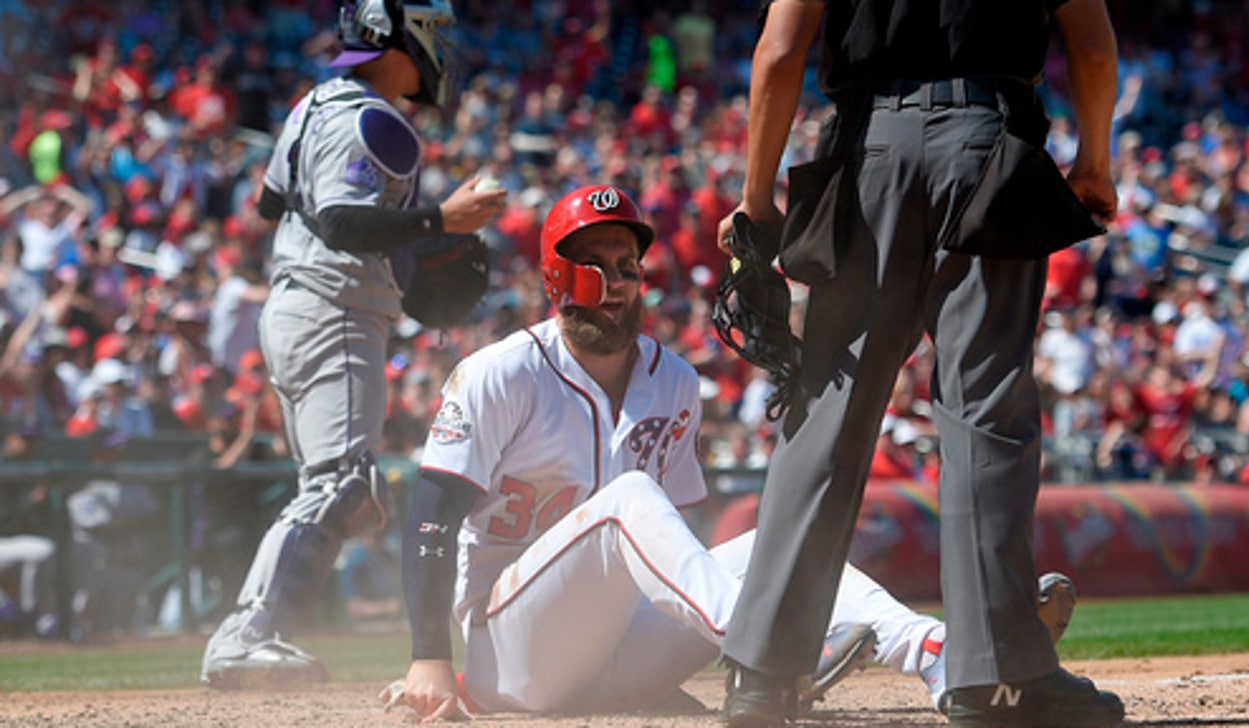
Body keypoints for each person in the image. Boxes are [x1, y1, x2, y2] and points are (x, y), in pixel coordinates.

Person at [388, 184, 1077, 721]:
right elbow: (429, 517)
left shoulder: (675, 381)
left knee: (781, 542)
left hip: (614, 656)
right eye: (592, 263)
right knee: (626, 500)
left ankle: (939, 655)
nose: (617, 279)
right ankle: (765, 649)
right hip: (507, 655)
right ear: (555, 278)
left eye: (627, 263)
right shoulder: (500, 373)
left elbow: (672, 548)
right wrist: (427, 661)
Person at [714, 1, 1123, 727]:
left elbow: (780, 51)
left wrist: (756, 199)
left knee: (828, 414)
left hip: (867, 151)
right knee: (984, 414)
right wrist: (1094, 161)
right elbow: (1091, 43)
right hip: (990, 143)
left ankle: (763, 676)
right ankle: (992, 679)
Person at [200, 0, 507, 689]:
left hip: (302, 306)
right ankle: (248, 633)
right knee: (343, 483)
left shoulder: (315, 104)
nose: (441, 49)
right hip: (334, 310)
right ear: (400, 38)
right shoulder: (374, 118)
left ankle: (259, 630)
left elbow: (271, 204)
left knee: (348, 489)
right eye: (434, 33)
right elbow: (341, 222)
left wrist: (411, 245)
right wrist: (439, 219)